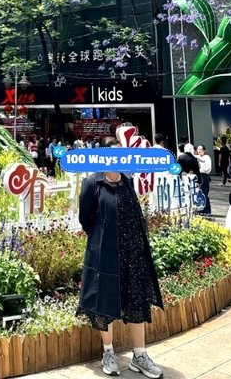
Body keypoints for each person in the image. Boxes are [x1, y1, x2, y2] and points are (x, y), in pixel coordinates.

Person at [77, 139, 164, 378]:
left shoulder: (127, 181)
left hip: (133, 253)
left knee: (136, 301)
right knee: (104, 301)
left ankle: (140, 356)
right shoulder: (92, 183)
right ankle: (108, 352)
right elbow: (85, 219)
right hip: (105, 253)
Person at [196, 144, 212, 215]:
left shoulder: (206, 157)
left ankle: (207, 210)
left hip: (204, 176)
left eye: (201, 149)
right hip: (198, 176)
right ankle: (201, 209)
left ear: (204, 150)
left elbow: (207, 168)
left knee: (204, 193)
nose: (199, 151)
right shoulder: (197, 157)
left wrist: (199, 170)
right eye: (198, 149)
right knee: (199, 193)